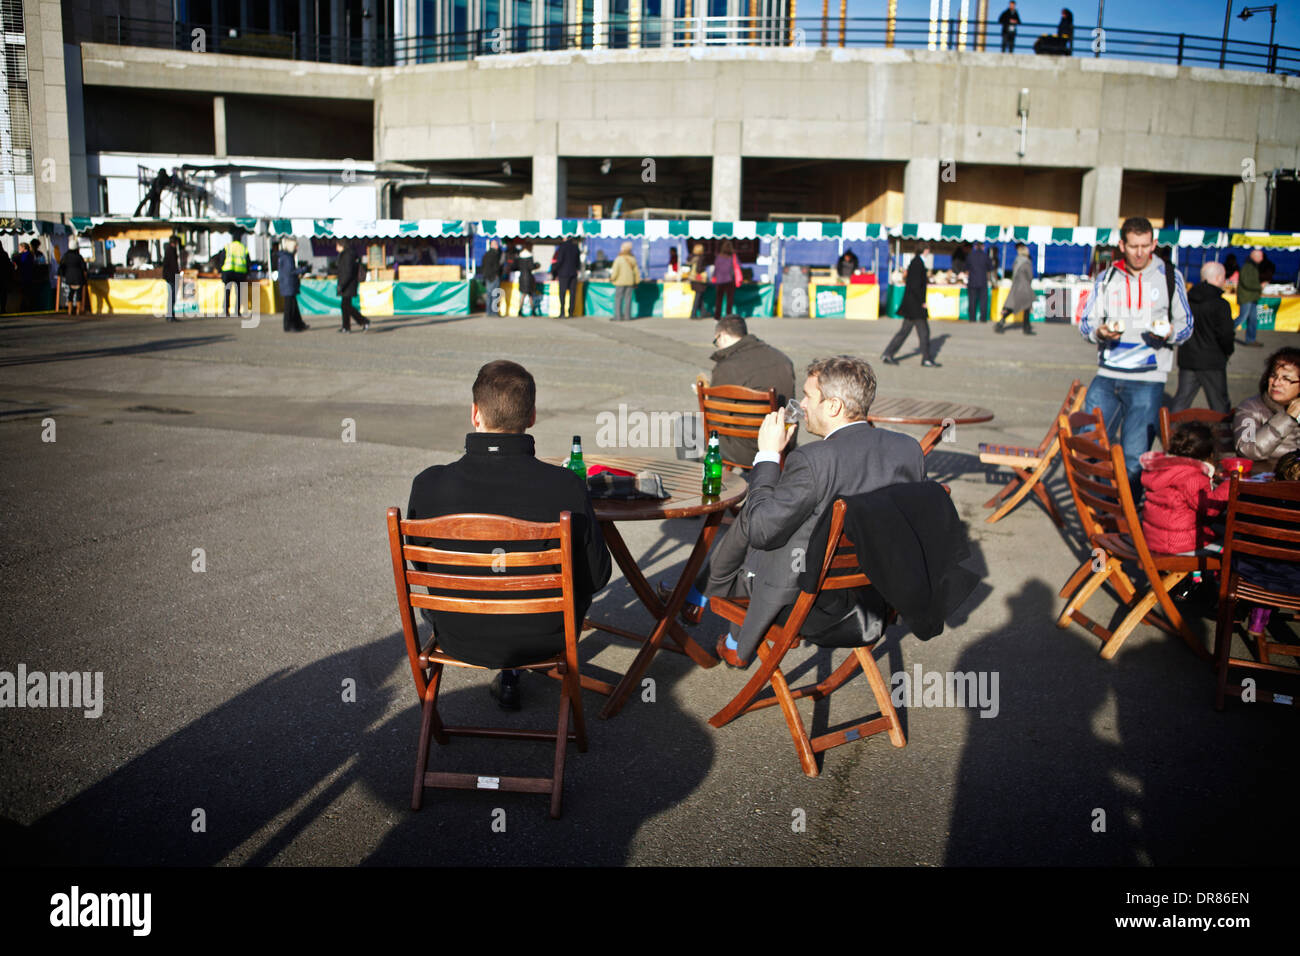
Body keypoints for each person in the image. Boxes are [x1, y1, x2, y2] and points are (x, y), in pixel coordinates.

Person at [405, 360, 612, 709]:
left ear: (475, 414)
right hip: (543, 638)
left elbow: (420, 565)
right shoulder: (565, 487)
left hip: (457, 634)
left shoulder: (428, 485)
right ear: (531, 416)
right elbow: (597, 576)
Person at [701, 355, 926, 667]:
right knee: (775, 509)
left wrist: (767, 455)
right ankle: (704, 600)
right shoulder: (908, 449)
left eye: (808, 396)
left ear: (833, 406)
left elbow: (760, 530)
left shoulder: (813, 459)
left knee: (755, 517)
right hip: (877, 598)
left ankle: (712, 606)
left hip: (808, 603)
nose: (801, 405)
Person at [1078, 216, 1193, 482]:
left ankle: (1125, 517)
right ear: (1122, 245)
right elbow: (1086, 323)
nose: (1140, 253)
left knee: (1134, 459)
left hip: (1148, 381)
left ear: (1154, 243)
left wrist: (1169, 333)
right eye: (1133, 246)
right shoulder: (1106, 277)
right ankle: (1099, 511)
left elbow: (1186, 325)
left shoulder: (1170, 277)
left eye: (1145, 246)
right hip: (1107, 376)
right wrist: (1099, 332)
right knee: (1088, 450)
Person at [704, 316, 797, 466]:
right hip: (781, 445)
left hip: (745, 449)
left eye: (716, 342)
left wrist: (708, 396)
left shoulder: (726, 367)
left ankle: (703, 477)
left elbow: (715, 420)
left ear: (722, 336)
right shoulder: (783, 359)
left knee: (686, 425)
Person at [1138, 422, 1231, 555]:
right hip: (1181, 544)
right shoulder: (1192, 477)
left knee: (1214, 529)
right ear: (1208, 455)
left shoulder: (1160, 468)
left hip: (1153, 539)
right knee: (1232, 542)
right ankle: (1213, 574)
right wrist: (1229, 485)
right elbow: (1211, 508)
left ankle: (1196, 575)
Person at [1171, 261, 1234, 413]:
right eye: (1224, 277)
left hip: (1188, 358)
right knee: (1219, 405)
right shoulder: (1220, 304)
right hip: (1212, 361)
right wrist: (1227, 351)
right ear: (1218, 277)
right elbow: (1226, 334)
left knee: (1181, 401)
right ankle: (1224, 435)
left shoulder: (1186, 300)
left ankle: (1171, 432)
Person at [1233, 347, 1300, 472]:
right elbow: (1246, 450)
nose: (1276, 383)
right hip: (1264, 483)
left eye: (1286, 379)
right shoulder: (1250, 407)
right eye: (1273, 375)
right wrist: (1287, 418)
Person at [882, 243, 939, 367]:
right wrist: (922, 302)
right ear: (925, 250)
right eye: (928, 250)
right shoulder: (918, 264)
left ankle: (888, 353)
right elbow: (915, 286)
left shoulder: (916, 262)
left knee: (905, 331)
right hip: (915, 306)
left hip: (912, 305)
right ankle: (926, 359)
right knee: (924, 332)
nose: (929, 252)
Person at [995, 243, 1035, 334]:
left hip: (1016, 286)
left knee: (1012, 306)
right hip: (1024, 287)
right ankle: (1026, 328)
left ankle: (1001, 322)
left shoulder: (1017, 261)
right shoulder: (1026, 262)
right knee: (1026, 308)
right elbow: (1030, 276)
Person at [276, 237, 311, 333]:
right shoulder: (287, 257)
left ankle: (297, 323)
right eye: (296, 246)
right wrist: (303, 269)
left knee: (293, 306)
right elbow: (291, 271)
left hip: (288, 283)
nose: (297, 248)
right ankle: (289, 325)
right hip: (288, 284)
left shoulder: (285, 256)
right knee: (289, 307)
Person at [334, 239, 368, 332]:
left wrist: (342, 284)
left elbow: (347, 271)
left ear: (341, 245)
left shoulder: (347, 255)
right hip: (348, 283)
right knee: (345, 306)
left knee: (346, 306)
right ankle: (346, 326)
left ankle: (363, 321)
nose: (336, 247)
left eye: (337, 245)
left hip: (348, 284)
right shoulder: (347, 254)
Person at [1237, 248, 1264, 347]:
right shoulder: (1248, 266)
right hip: (1246, 297)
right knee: (1242, 317)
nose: (1262, 258)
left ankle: (1251, 340)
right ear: (1254, 256)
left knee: (1253, 319)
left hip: (1252, 297)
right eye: (1261, 256)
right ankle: (1225, 333)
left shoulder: (1253, 266)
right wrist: (1260, 286)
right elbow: (1247, 282)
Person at [712, 239, 742, 321]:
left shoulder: (718, 257)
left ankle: (717, 317)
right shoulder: (733, 257)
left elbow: (716, 269)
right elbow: (739, 265)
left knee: (719, 300)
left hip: (719, 280)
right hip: (730, 280)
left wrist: (714, 277)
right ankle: (728, 316)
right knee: (729, 300)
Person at [610, 241, 641, 321]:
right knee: (628, 299)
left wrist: (612, 278)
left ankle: (618, 316)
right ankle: (627, 317)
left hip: (620, 282)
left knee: (618, 299)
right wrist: (637, 281)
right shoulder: (633, 259)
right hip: (630, 282)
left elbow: (615, 271)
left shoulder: (619, 259)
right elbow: (636, 271)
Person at [221, 230, 249, 318]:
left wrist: (220, 270)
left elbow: (221, 259)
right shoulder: (244, 248)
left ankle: (226, 311)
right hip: (240, 273)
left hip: (228, 272)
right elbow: (248, 262)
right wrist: (247, 272)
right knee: (239, 293)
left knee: (227, 292)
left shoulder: (228, 247)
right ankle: (237, 311)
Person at [551, 236, 580, 318]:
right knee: (572, 294)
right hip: (573, 273)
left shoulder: (562, 247)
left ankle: (562, 312)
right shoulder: (575, 247)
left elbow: (559, 261)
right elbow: (578, 262)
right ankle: (571, 312)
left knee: (562, 293)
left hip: (563, 274)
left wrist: (554, 271)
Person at [57, 242, 88, 316]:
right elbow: (84, 267)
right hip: (79, 277)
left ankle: (69, 311)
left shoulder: (66, 256)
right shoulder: (79, 256)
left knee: (70, 294)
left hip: (69, 277)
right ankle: (78, 310)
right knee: (79, 294)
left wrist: (62, 274)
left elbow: (61, 266)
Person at [966, 241, 992, 323]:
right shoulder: (986, 256)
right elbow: (990, 268)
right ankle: (983, 318)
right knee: (983, 301)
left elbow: (966, 268)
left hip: (972, 281)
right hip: (983, 281)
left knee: (972, 300)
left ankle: (972, 318)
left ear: (976, 246)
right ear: (983, 247)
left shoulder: (970, 255)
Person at [480, 238, 504, 316]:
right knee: (495, 295)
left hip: (488, 277)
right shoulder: (496, 254)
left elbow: (483, 266)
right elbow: (497, 266)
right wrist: (497, 273)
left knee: (489, 295)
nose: (497, 246)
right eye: (496, 244)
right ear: (493, 245)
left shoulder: (486, 254)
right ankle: (494, 312)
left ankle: (488, 312)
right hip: (494, 276)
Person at [516, 244, 542, 316]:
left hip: (522, 277)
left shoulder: (520, 256)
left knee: (523, 295)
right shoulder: (530, 256)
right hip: (528, 278)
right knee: (530, 295)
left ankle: (520, 310)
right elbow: (531, 267)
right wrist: (536, 265)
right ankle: (533, 311)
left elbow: (517, 266)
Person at [687, 243, 709, 319]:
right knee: (698, 296)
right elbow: (699, 269)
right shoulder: (700, 258)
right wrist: (703, 271)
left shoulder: (691, 257)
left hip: (693, 279)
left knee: (700, 296)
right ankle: (693, 313)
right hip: (699, 280)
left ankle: (703, 312)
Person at [162, 235, 181, 322]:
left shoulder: (167, 249)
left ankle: (170, 314)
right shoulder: (171, 250)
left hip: (169, 276)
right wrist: (177, 275)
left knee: (171, 296)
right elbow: (173, 265)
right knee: (172, 296)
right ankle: (170, 315)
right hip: (172, 276)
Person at [0, 245, 12, 314]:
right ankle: (3, 309)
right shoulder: (4, 254)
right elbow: (8, 265)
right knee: (3, 294)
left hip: (3, 276)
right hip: (3, 277)